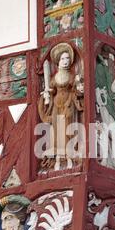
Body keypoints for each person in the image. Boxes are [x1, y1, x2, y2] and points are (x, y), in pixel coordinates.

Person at [38, 43, 78, 171]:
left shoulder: (70, 76)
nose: (65, 61)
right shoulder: (54, 77)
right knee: (56, 131)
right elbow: (50, 89)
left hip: (67, 104)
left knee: (67, 130)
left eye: (67, 59)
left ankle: (69, 157)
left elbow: (74, 90)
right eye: (63, 59)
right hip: (56, 105)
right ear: (58, 61)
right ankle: (58, 158)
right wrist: (47, 94)